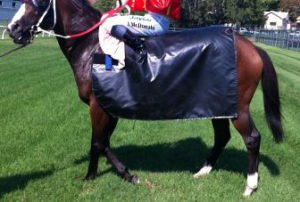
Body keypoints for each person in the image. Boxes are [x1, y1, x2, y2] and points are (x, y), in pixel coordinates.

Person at [98, 0, 181, 67]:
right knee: (106, 18)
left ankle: (140, 48)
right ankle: (110, 62)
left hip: (157, 23)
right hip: (151, 19)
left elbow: (163, 4)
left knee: (109, 22)